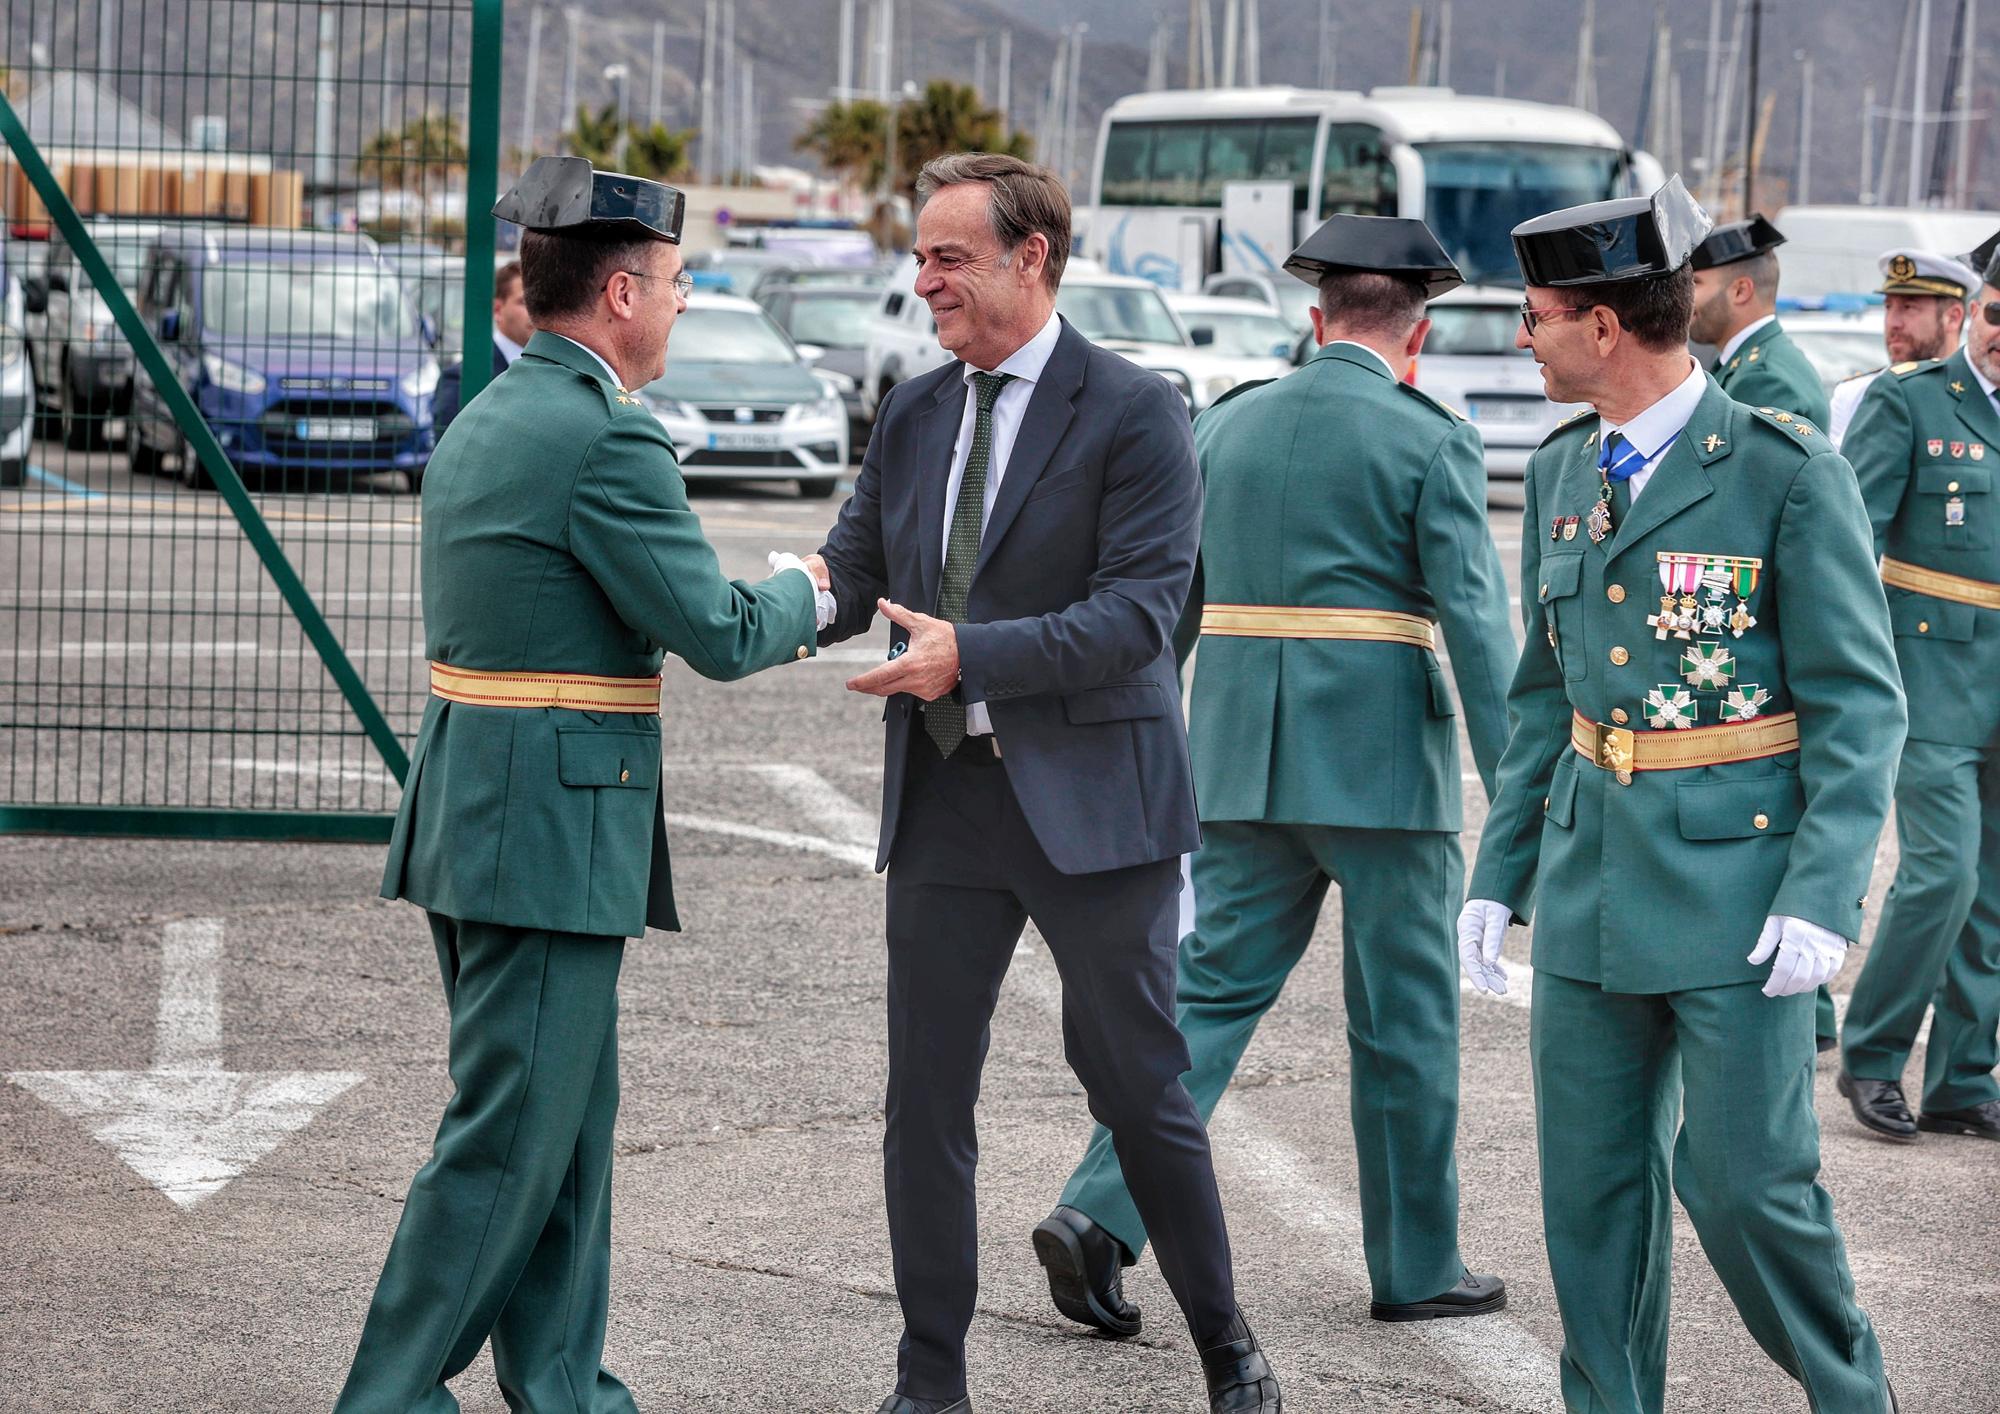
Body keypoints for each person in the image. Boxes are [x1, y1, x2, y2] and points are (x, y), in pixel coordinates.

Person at [336, 156, 823, 1414]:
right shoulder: (605, 436)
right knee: (506, 1139)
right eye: (673, 283)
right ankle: (386, 1398)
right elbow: (714, 628)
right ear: (619, 291)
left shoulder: (497, 412)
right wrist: (816, 592)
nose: (677, 303)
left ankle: (561, 1386)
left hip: (485, 815)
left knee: (564, 1133)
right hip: (546, 836)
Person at [815, 152, 1280, 1414]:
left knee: (1139, 1086)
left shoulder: (1137, 410)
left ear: (1033, 258)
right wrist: (765, 607)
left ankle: (1227, 1347)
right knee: (924, 1103)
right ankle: (928, 1379)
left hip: (1096, 805)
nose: (923, 283)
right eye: (918, 259)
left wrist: (972, 657)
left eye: (947, 258)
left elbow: (1137, 615)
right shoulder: (915, 412)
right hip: (947, 801)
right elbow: (850, 565)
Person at [1458, 176, 1905, 1414]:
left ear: (1601, 327)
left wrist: (1824, 892)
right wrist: (1498, 875)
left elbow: (1860, 707)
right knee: (1590, 1193)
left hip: (1737, 889)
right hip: (1592, 876)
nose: (1522, 336)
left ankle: (1848, 1395)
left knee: (1746, 1185)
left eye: (1535, 314)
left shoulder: (1780, 471)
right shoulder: (1562, 471)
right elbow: (1539, 702)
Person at [1040, 214, 1515, 1338]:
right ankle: (1414, 1262)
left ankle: (1098, 1213)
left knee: (1201, 999)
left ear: (1314, 318)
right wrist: (1521, 798)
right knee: (1402, 1021)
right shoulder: (1429, 436)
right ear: (1417, 333)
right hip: (1384, 770)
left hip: (1237, 759)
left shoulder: (1228, 424)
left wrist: (1138, 757)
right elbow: (1482, 643)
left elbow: (1165, 612)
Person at [1834, 241, 2000, 1146]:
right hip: (1931, 676)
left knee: (1996, 890)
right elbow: (1848, 543)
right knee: (1944, 871)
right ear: (1975, 313)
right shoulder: (1911, 402)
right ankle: (1872, 1054)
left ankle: (1965, 1080)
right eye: (1997, 311)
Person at [1688, 213, 1841, 1051]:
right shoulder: (1747, 365)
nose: (1689, 300)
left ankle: (1806, 1009)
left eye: (1702, 287)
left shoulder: (1773, 379)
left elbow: (1753, 521)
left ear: (1741, 289)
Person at [1828, 248, 1977, 448]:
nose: (1893, 322)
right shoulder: (1854, 395)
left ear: (1953, 317)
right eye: (1889, 307)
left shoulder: (1981, 396)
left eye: (1908, 308)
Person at [432, 258, 532, 434]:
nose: (536, 310)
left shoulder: (560, 369)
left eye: (541, 301)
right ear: (497, 310)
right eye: (524, 302)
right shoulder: (460, 380)